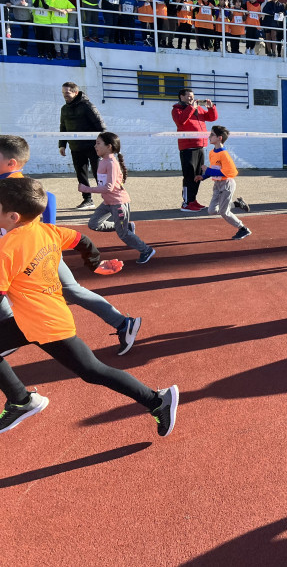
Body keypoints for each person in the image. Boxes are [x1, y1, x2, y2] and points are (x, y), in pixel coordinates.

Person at [0, 178, 178, 437]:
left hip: (46, 326)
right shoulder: (47, 231)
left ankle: (157, 400)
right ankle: (20, 400)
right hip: (36, 318)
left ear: (13, 216)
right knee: (92, 371)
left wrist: (94, 264)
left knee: (93, 371)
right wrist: (94, 263)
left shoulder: (7, 249)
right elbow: (81, 239)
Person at [0, 135, 141, 357]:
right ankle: (123, 323)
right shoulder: (10, 181)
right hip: (29, 250)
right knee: (71, 291)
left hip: (30, 253)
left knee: (68, 292)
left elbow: (50, 199)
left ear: (11, 162)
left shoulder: (12, 183)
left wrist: (46, 235)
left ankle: (123, 323)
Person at [80, 132, 156, 265]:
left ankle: (146, 250)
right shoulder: (103, 161)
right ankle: (127, 227)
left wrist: (87, 189)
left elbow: (108, 187)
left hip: (118, 203)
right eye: (95, 143)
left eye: (98, 143)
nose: (95, 146)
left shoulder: (111, 163)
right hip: (108, 202)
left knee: (123, 234)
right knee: (93, 224)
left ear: (109, 146)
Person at [195, 126, 252, 240]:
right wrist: (203, 176)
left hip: (227, 184)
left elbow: (228, 172)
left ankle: (243, 229)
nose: (209, 136)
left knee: (224, 212)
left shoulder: (224, 154)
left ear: (219, 138)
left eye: (212, 135)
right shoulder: (212, 153)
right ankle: (236, 204)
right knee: (212, 211)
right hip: (217, 185)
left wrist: (207, 170)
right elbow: (213, 168)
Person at [59, 82, 105, 210]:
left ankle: (107, 200)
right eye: (63, 93)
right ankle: (87, 200)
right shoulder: (64, 109)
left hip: (93, 147)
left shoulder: (87, 106)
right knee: (81, 175)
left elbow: (100, 126)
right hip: (76, 148)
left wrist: (104, 145)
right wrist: (62, 145)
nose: (65, 96)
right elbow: (63, 128)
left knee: (99, 174)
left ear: (76, 92)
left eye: (67, 93)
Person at [172, 88, 218, 211]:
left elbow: (212, 118)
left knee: (198, 175)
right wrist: (192, 107)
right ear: (181, 97)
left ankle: (193, 200)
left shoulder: (198, 108)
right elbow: (181, 121)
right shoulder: (177, 109)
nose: (191, 99)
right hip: (187, 147)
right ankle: (186, 203)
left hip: (200, 146)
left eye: (192, 96)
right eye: (188, 96)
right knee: (189, 176)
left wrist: (211, 107)